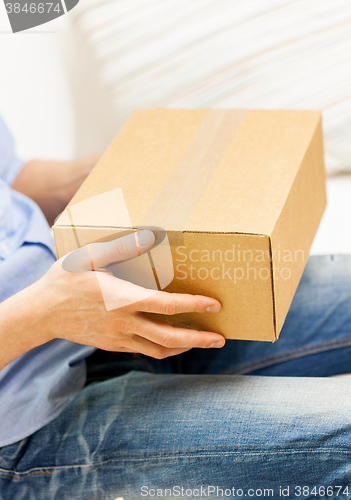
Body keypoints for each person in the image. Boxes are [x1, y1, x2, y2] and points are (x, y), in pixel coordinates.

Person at [0, 114, 351, 500]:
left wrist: (138, 168)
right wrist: (42, 315)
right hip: (25, 426)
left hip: (103, 307)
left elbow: (13, 179)